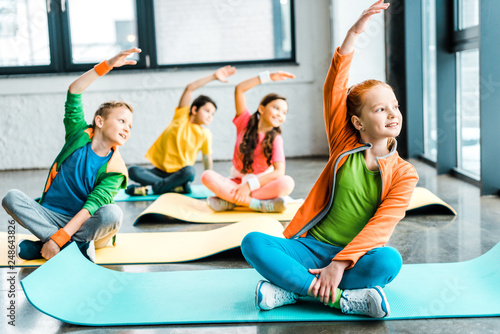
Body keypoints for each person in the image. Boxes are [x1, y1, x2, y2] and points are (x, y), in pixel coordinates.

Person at [240, 0, 419, 318]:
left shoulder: (405, 174)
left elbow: (381, 227)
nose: (392, 113)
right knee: (253, 242)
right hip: (308, 248)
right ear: (358, 123)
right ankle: (342, 300)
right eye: (380, 109)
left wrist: (339, 264)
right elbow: (334, 87)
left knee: (389, 261)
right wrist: (353, 35)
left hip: (356, 256)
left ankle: (289, 290)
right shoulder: (343, 143)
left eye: (395, 106)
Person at [2, 48, 141, 262]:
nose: (127, 128)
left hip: (85, 223)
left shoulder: (116, 169)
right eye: (122, 121)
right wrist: (107, 65)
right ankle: (74, 248)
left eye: (130, 126)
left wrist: (58, 238)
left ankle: (49, 246)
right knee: (11, 198)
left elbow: (89, 209)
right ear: (100, 121)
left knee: (112, 214)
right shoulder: (78, 133)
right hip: (50, 214)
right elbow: (74, 91)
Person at [125, 66, 236, 196]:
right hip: (159, 171)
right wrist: (214, 77)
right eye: (207, 111)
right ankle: (171, 187)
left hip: (180, 174)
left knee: (190, 171)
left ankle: (150, 189)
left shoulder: (205, 134)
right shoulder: (181, 117)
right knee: (133, 170)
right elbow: (190, 88)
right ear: (194, 110)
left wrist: (210, 181)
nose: (210, 116)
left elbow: (207, 158)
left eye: (212, 114)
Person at [201, 69, 296, 213]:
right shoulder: (244, 122)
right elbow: (239, 89)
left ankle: (231, 201)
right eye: (276, 108)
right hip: (237, 182)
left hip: (260, 185)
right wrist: (269, 76)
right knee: (207, 176)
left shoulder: (276, 139)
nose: (280, 114)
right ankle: (256, 204)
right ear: (261, 109)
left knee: (287, 183)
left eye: (284, 112)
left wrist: (249, 187)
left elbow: (279, 172)